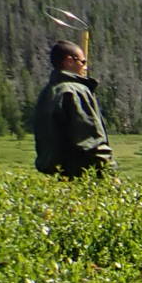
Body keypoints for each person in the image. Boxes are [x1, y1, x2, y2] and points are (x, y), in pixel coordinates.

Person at [33, 40, 112, 179]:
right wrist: (109, 173)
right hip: (84, 175)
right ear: (69, 61)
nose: (85, 67)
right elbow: (91, 139)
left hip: (58, 176)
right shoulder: (76, 91)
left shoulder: (47, 92)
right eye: (83, 62)